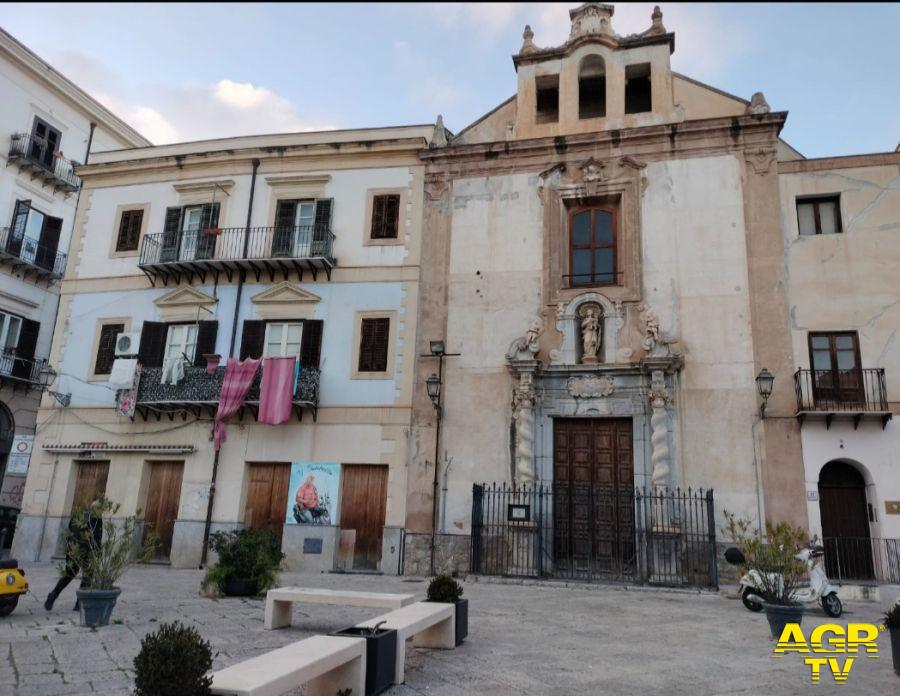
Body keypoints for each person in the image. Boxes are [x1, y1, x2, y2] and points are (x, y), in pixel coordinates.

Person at [44, 499, 103, 612]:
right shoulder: (97, 520)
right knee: (87, 576)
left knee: (69, 574)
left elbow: (69, 532)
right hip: (87, 551)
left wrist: (70, 548)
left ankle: (53, 594)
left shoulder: (77, 516)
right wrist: (98, 553)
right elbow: (97, 538)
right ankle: (78, 604)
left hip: (73, 550)